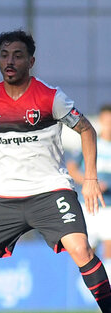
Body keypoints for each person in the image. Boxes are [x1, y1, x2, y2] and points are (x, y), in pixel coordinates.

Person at [0, 30, 111, 312]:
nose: (9, 61)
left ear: (31, 61)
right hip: (6, 198)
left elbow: (86, 129)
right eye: (4, 55)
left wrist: (89, 178)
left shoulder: (51, 97)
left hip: (51, 192)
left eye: (17, 55)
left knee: (80, 249)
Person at [67, 104, 111, 272]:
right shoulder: (91, 141)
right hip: (88, 205)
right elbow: (72, 167)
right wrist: (88, 182)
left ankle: (107, 285)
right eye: (106, 121)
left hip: (108, 205)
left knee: (109, 246)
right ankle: (90, 284)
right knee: (86, 249)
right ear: (100, 121)